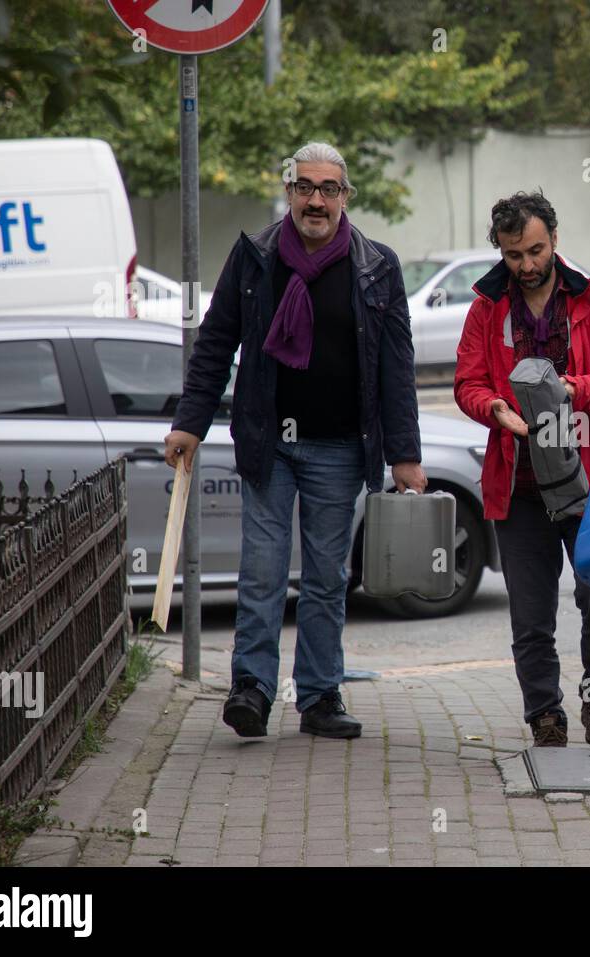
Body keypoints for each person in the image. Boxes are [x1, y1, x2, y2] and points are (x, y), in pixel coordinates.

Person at [165, 142, 426, 741]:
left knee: (327, 578)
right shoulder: (255, 259)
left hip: (340, 448)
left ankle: (318, 697)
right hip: (269, 444)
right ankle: (251, 689)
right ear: (288, 193)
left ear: (344, 197)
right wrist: (190, 422)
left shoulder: (376, 266)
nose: (316, 200)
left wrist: (406, 456)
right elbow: (215, 343)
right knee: (261, 571)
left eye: (328, 189)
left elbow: (397, 368)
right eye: (304, 187)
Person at [454, 190, 590, 747]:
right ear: (500, 251)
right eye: (514, 255)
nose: (527, 265)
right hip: (519, 484)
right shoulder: (486, 307)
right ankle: (545, 715)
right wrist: (496, 408)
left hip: (588, 482)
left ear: (555, 239)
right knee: (531, 617)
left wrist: (569, 391)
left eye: (535, 250)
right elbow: (467, 383)